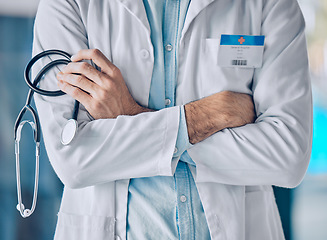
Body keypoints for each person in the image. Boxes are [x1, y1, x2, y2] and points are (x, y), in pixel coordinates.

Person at [32, 0, 312, 239]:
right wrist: (205, 116)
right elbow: (74, 160)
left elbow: (288, 155)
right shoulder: (68, 4)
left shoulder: (270, 4)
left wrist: (131, 116)